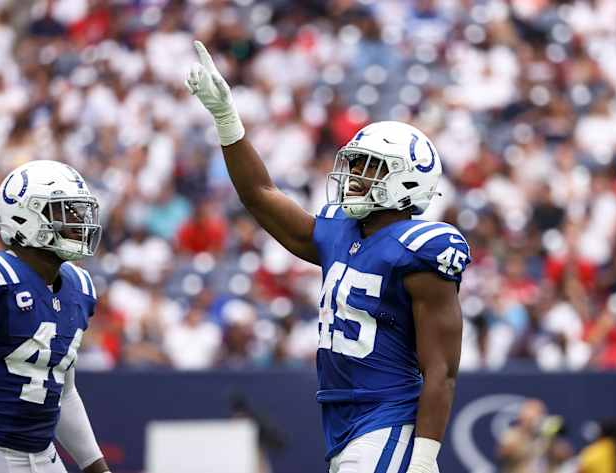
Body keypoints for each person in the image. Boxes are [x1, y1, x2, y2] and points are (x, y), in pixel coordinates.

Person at [187, 41, 470, 473]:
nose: (353, 176)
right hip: (345, 424)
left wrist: (423, 459)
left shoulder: (423, 250)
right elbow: (260, 196)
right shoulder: (339, 232)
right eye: (354, 164)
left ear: (408, 183)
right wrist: (227, 119)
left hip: (388, 423)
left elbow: (441, 371)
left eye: (369, 168)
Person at [0, 160, 111, 473]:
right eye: (65, 212)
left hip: (44, 456)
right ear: (23, 216)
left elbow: (64, 391)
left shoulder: (79, 288)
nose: (78, 223)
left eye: (80, 212)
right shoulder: (2, 280)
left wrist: (96, 467)